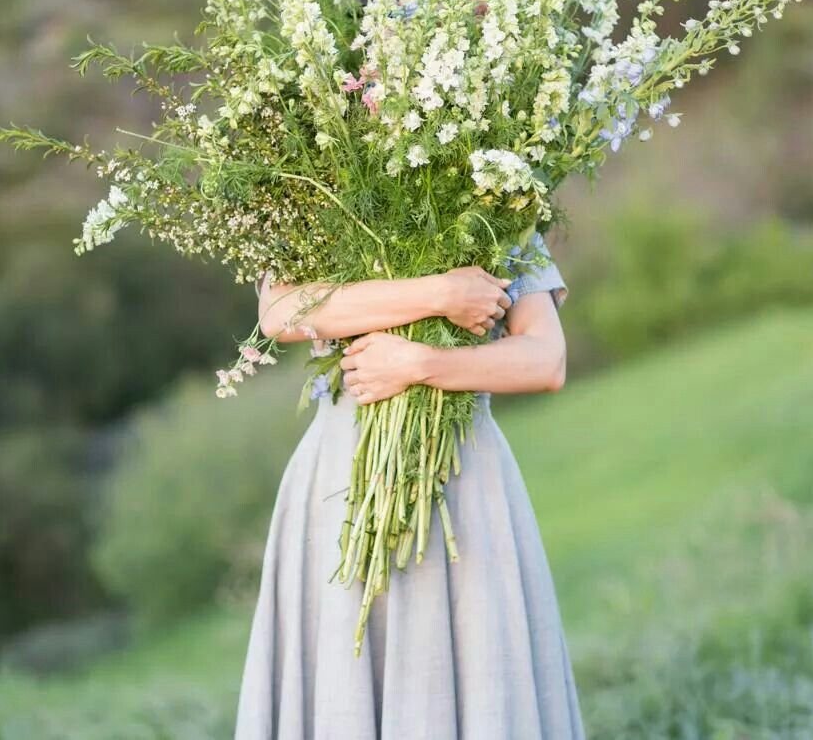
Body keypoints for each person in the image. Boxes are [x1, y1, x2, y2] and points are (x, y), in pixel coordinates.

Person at [234, 231, 586, 739]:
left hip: (465, 477)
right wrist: (443, 292)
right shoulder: (311, 192)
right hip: (342, 475)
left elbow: (545, 361)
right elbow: (282, 309)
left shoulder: (500, 201)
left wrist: (420, 364)